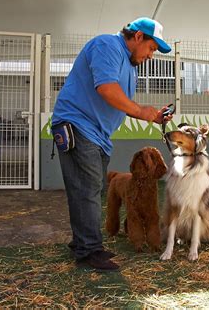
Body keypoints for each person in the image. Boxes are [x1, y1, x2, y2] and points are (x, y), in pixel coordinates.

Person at [51, 17, 173, 271]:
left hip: (98, 135)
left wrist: (154, 116)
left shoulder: (130, 66)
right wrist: (140, 110)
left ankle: (83, 242)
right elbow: (106, 89)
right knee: (89, 189)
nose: (151, 55)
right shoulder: (107, 45)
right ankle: (89, 251)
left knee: (87, 188)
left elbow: (120, 101)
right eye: (151, 48)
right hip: (78, 125)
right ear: (138, 37)